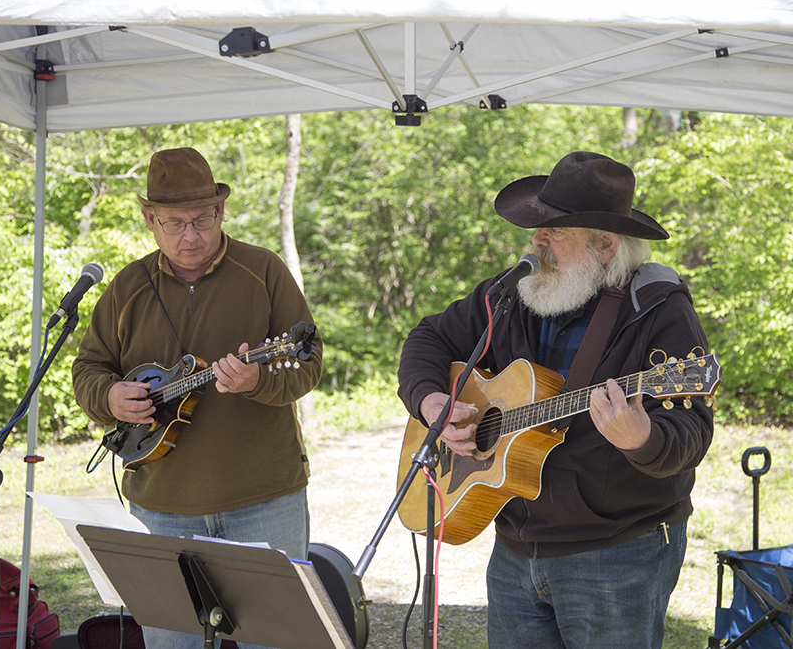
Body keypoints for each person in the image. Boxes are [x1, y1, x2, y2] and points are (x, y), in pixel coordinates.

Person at [397, 151, 714, 648]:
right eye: (538, 229)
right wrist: (430, 401)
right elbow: (428, 338)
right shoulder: (513, 294)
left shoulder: (658, 310)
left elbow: (691, 434)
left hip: (615, 553)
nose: (536, 242)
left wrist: (642, 438)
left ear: (605, 245)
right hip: (515, 548)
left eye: (555, 233)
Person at [72, 147, 322, 649]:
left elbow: (308, 365)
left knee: (277, 640)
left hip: (264, 500)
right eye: (174, 223)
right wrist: (110, 397)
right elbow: (88, 370)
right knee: (170, 642)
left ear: (221, 212)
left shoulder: (264, 271)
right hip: (162, 506)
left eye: (202, 220)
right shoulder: (126, 288)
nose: (190, 236)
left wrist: (258, 382)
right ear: (149, 219)